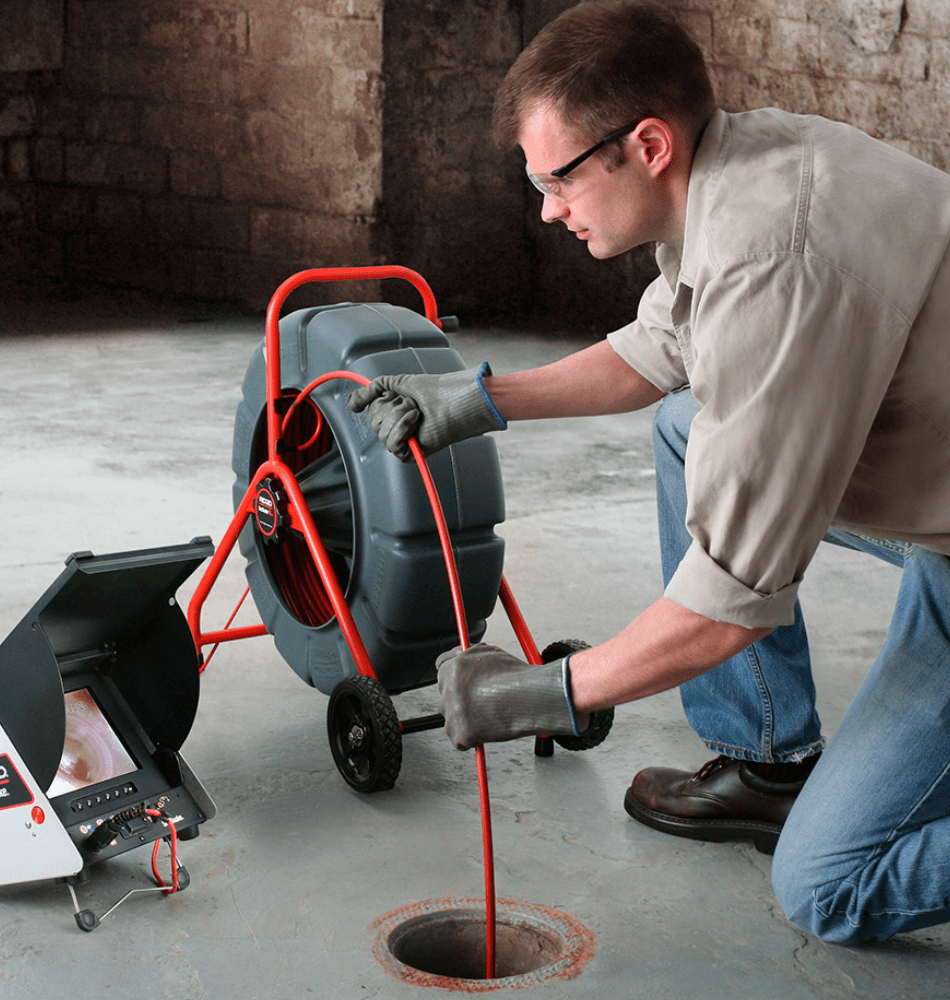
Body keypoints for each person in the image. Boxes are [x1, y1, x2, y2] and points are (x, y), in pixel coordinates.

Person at [347, 0, 950, 945]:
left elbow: (726, 605)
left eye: (557, 179)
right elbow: (660, 348)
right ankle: (769, 763)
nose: (547, 208)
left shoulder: (772, 262)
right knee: (683, 425)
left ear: (648, 145)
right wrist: (480, 399)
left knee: (827, 888)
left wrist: (545, 693)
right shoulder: (737, 169)